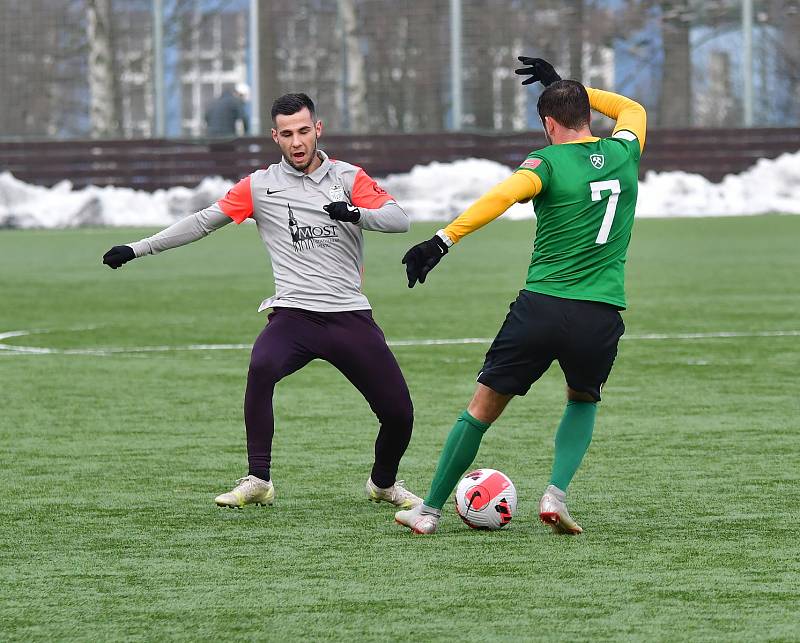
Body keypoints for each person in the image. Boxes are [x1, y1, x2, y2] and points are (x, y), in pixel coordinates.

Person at [102, 92, 422, 510]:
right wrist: (137, 248)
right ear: (275, 137)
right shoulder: (259, 185)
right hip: (294, 316)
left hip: (349, 317)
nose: (297, 141)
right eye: (287, 134)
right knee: (262, 365)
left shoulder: (347, 177)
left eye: (304, 131)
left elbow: (400, 219)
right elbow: (202, 222)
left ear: (317, 129)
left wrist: (355, 213)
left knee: (400, 414)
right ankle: (259, 479)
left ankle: (383, 483)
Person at [394, 58, 647, 535]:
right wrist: (567, 88)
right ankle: (555, 494)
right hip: (600, 313)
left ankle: (427, 510)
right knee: (582, 399)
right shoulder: (625, 151)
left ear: (548, 123)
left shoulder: (546, 162)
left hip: (542, 308)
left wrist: (443, 239)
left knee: (482, 408)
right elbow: (631, 107)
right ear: (587, 116)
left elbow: (503, 196)